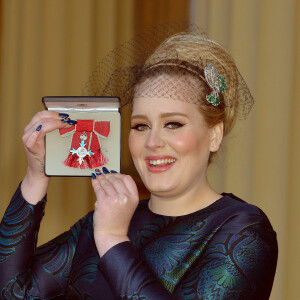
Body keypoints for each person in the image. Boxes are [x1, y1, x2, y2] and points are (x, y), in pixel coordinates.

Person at [0, 29, 277, 299]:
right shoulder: (103, 220)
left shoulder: (244, 230)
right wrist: (36, 175)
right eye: (141, 126)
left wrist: (111, 239)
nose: (152, 142)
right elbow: (13, 291)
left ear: (214, 135)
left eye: (173, 124)